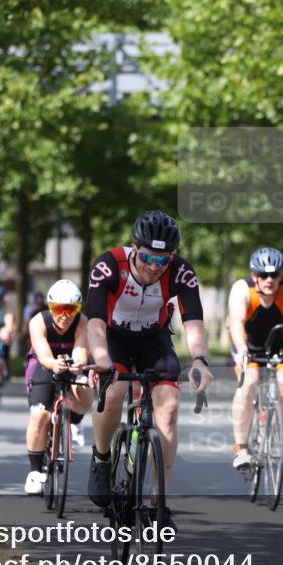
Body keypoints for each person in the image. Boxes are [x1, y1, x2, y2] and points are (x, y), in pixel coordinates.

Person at [84, 210, 214, 529]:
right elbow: (96, 321)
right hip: (113, 338)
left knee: (168, 407)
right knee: (113, 393)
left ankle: (159, 502)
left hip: (153, 340)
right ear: (133, 248)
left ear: (172, 257)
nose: (153, 267)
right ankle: (102, 457)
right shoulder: (108, 266)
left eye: (162, 260)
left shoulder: (181, 273)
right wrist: (101, 359)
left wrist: (200, 360)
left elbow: (194, 322)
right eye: (146, 257)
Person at [227, 248, 283, 470]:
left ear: (281, 275)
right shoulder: (242, 289)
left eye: (275, 275)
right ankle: (241, 448)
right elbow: (236, 322)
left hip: (280, 341)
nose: (269, 280)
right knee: (248, 383)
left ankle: (270, 429)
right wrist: (241, 350)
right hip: (247, 343)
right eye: (262, 275)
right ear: (254, 274)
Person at [22, 280, 94, 494]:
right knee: (39, 416)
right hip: (44, 365)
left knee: (85, 387)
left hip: (70, 363)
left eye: (71, 309)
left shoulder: (82, 322)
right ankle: (35, 472)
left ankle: (75, 422)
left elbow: (81, 350)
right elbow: (44, 354)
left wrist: (78, 364)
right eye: (59, 309)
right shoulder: (38, 322)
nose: (65, 315)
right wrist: (55, 364)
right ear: (50, 308)